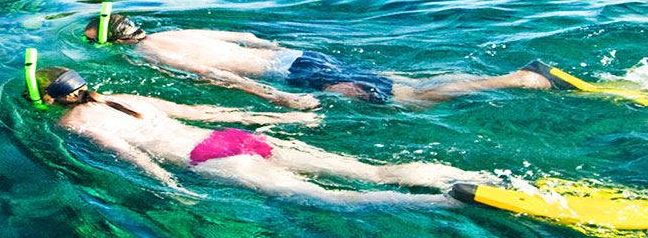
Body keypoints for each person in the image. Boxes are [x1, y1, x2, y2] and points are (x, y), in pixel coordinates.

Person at [31, 66, 491, 208]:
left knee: (330, 199)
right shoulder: (126, 97)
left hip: (205, 159)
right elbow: (206, 110)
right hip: (229, 138)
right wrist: (285, 120)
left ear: (51, 100)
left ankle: (445, 201)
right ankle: (469, 176)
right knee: (370, 170)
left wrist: (170, 187)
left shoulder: (74, 126)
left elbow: (130, 156)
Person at [85, 14, 567, 110]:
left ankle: (519, 80)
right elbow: (248, 38)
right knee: (405, 83)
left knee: (409, 101)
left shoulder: (151, 54)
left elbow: (217, 77)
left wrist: (275, 95)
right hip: (300, 57)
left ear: (112, 42)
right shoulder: (178, 30)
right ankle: (511, 78)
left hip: (295, 74)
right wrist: (275, 61)